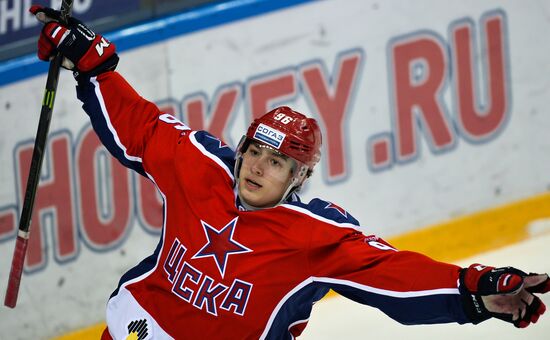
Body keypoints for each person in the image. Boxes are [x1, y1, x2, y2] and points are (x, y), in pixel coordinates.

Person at [29, 5, 549, 340]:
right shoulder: (201, 167)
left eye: (276, 162)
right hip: (137, 328)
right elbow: (140, 128)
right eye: (255, 151)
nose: (256, 166)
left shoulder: (314, 235)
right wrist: (94, 65)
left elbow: (394, 276)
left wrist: (472, 289)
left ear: (297, 177)